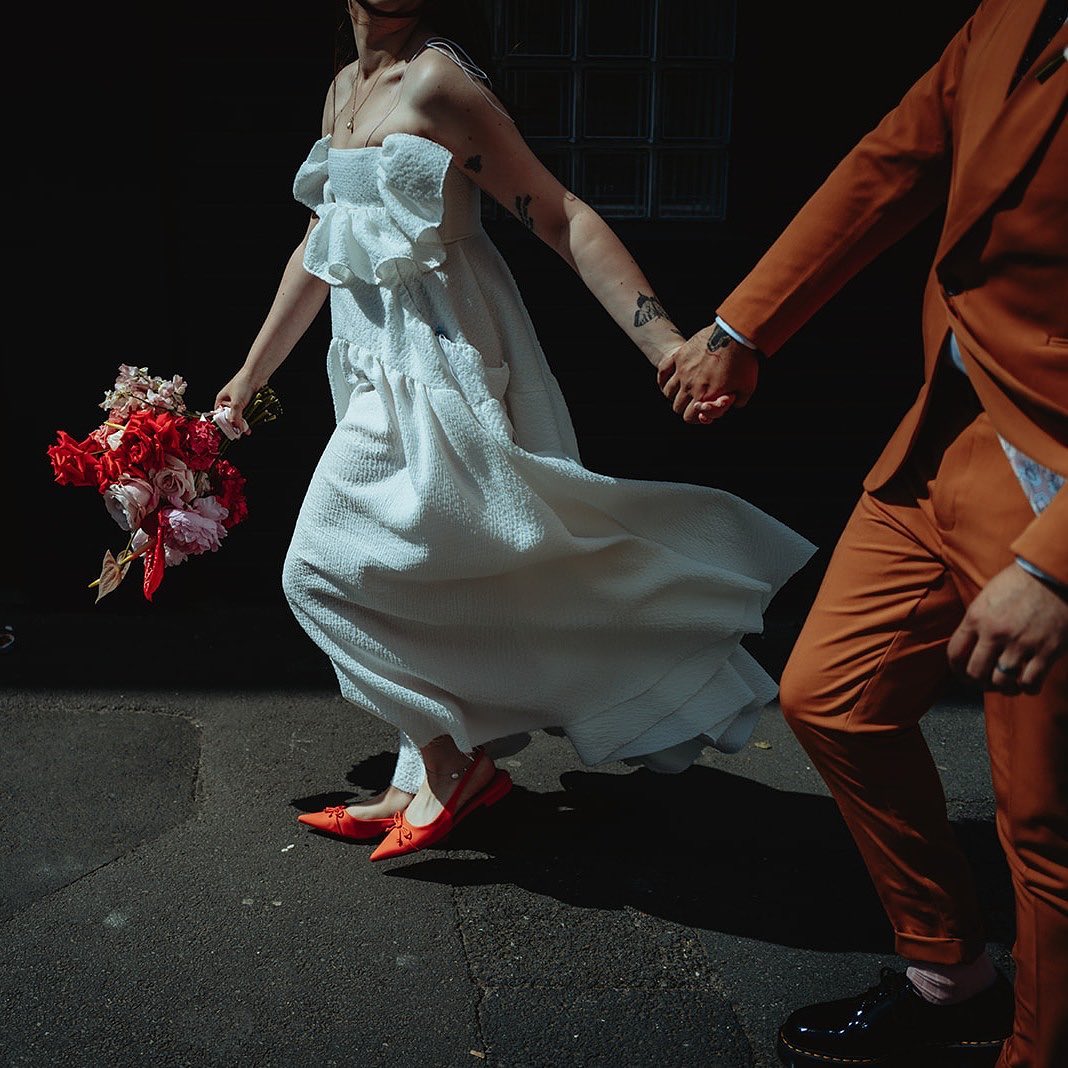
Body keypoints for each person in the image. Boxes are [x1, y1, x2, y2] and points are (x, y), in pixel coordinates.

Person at [213, 0, 814, 863]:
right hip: (369, 361)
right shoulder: (344, 88)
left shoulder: (439, 83)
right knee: (428, 571)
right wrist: (250, 374)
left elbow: (562, 215)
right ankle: (415, 773)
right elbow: (323, 240)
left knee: (317, 572)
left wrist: (670, 344)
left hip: (438, 362)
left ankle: (458, 766)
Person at [659, 1, 1068, 1065]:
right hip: (948, 430)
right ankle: (953, 981)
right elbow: (891, 161)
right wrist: (747, 327)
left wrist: (1061, 569)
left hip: (1056, 486)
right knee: (830, 696)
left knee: (1046, 828)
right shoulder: (1011, 14)